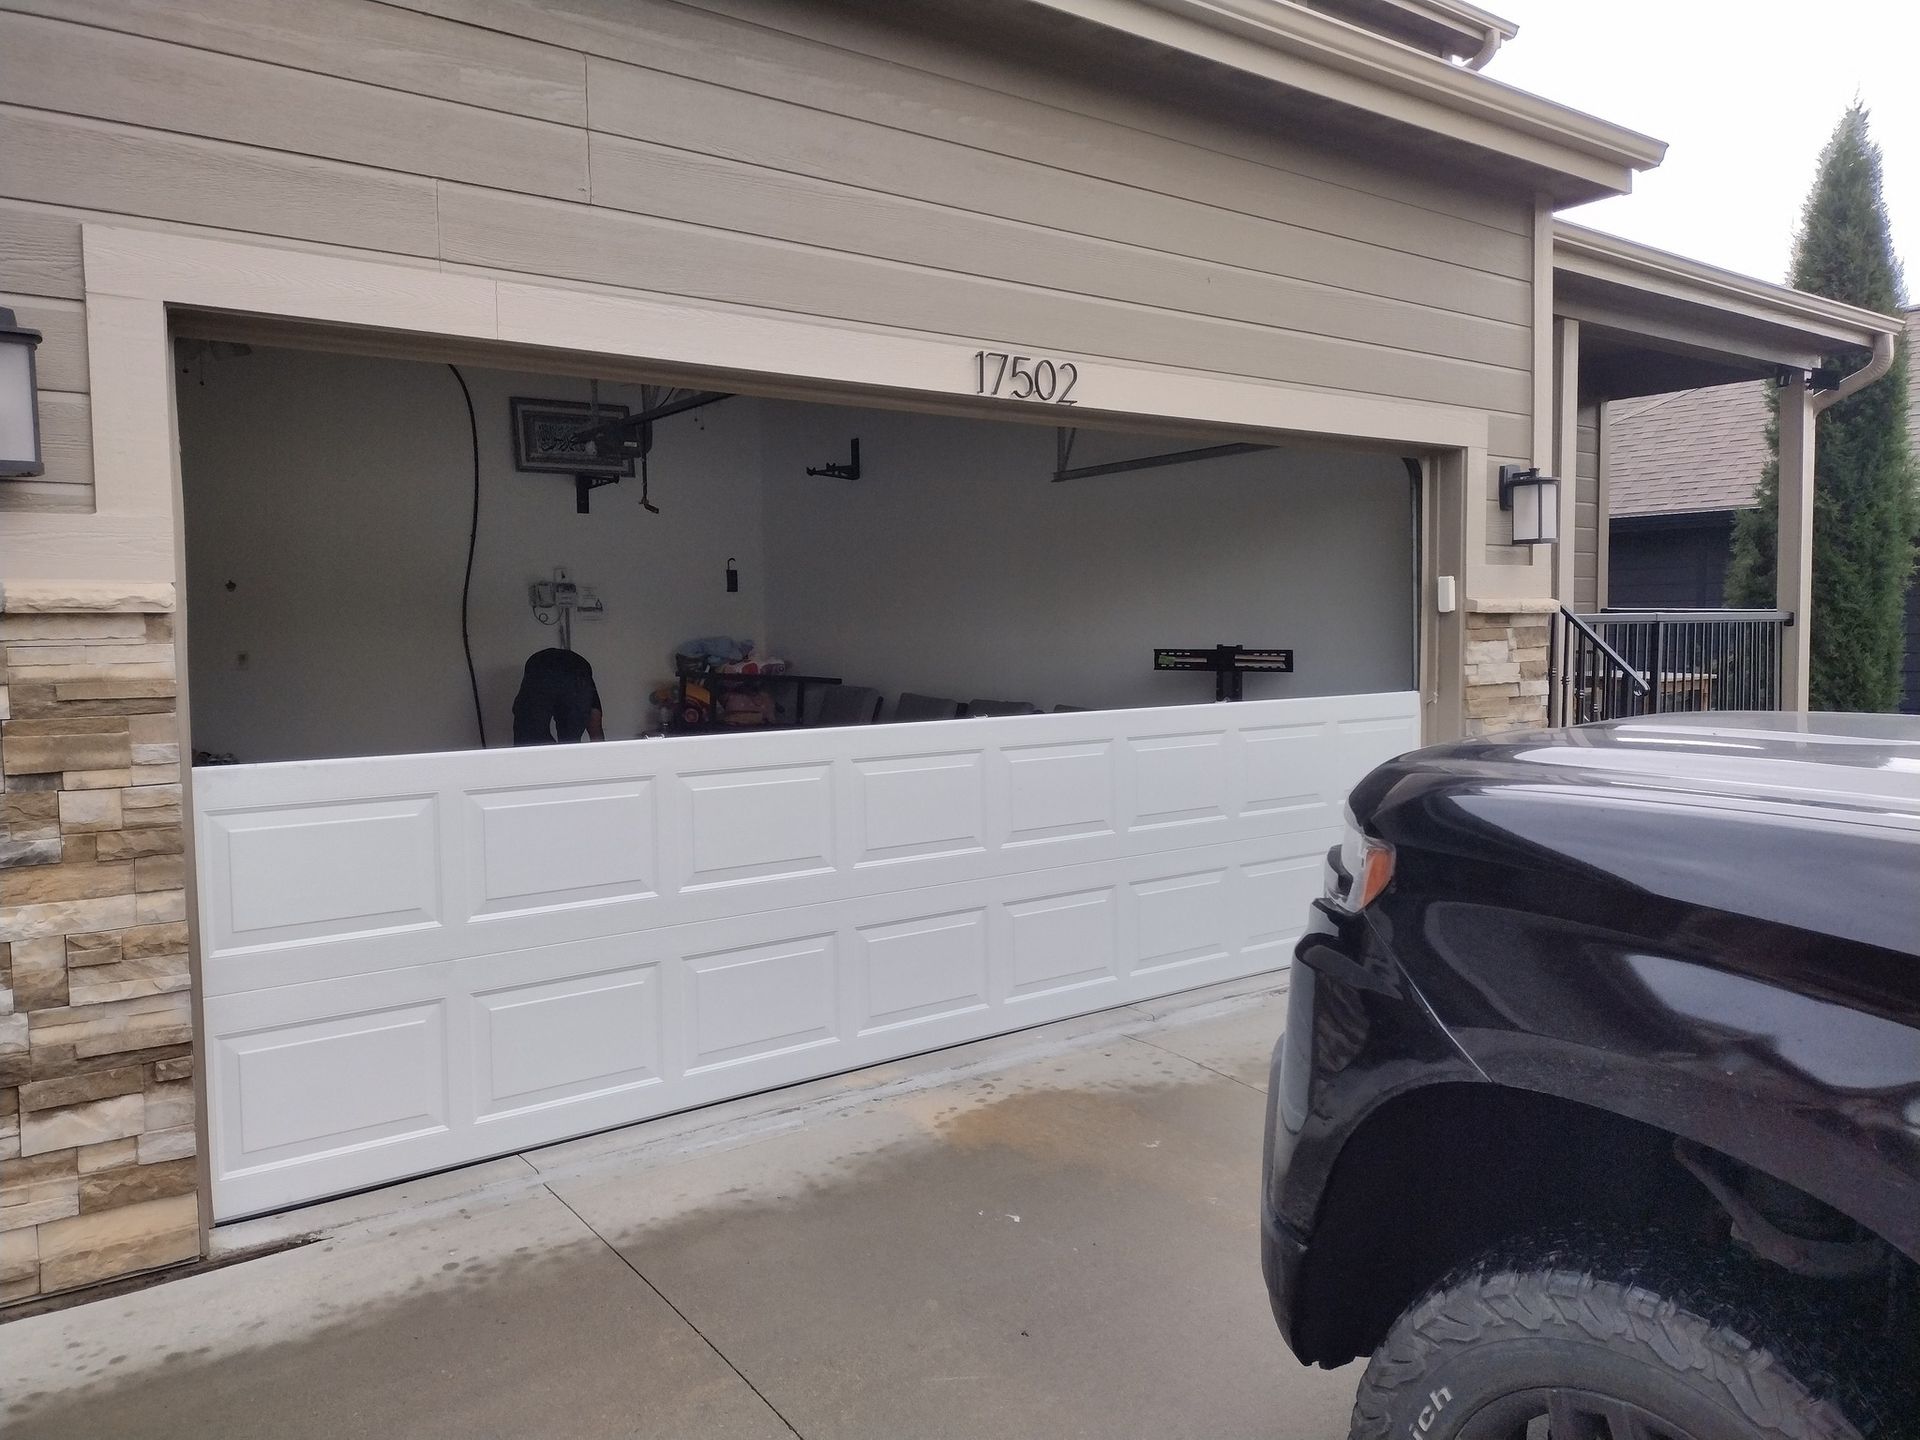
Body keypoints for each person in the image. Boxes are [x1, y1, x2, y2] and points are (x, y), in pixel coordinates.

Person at [511, 647, 605, 744]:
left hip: (541, 667)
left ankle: (555, 755)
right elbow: (595, 719)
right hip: (577, 671)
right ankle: (563, 754)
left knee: (529, 738)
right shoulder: (583, 677)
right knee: (570, 742)